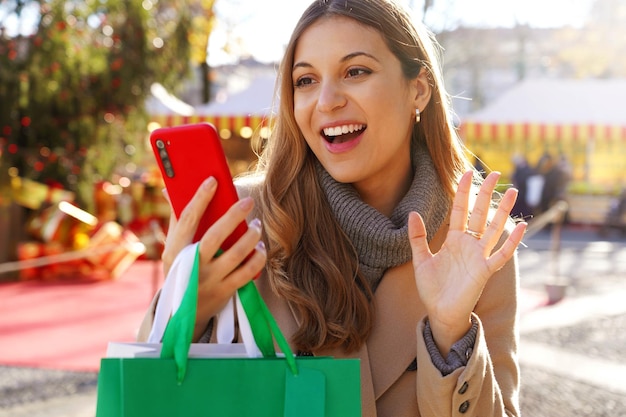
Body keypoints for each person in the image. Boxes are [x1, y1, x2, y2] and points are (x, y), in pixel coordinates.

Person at [138, 1, 527, 415]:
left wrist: (451, 336)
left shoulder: (476, 244)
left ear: (419, 88)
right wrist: (185, 306)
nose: (326, 101)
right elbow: (156, 395)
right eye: (305, 80)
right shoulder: (242, 221)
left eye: (355, 71)